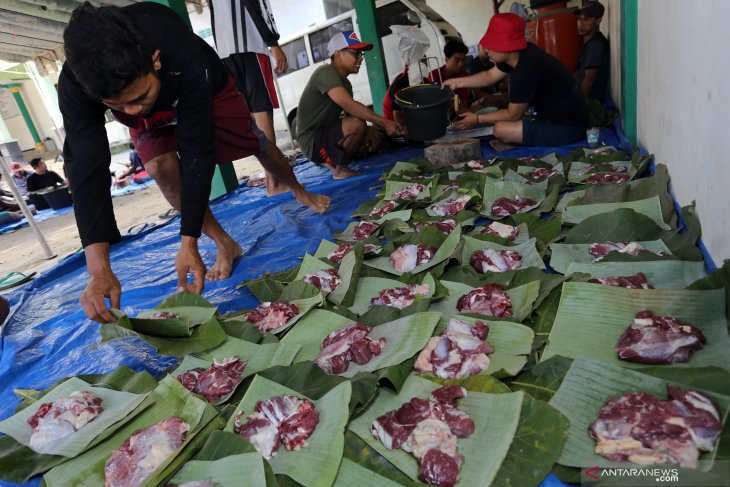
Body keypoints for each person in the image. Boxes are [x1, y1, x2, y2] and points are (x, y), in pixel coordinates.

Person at [59, 3, 330, 323]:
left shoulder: (179, 50)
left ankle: (297, 188)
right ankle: (224, 243)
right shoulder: (77, 82)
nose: (132, 112)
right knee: (159, 167)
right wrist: (99, 271)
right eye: (117, 106)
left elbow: (196, 152)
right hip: (156, 87)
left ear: (155, 60)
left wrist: (187, 241)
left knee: (256, 143)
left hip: (205, 89)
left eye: (138, 97)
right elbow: (86, 171)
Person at [444, 13, 588, 150]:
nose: (486, 50)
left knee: (500, 129)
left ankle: (519, 143)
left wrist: (476, 119)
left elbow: (513, 115)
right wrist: (457, 82)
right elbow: (489, 76)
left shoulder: (525, 69)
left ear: (507, 46)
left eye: (492, 44)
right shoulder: (521, 54)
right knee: (502, 123)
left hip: (566, 128)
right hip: (568, 119)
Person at [211, 0, 299, 196]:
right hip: (250, 44)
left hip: (225, 51)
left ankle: (272, 180)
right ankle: (273, 182)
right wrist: (273, 42)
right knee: (262, 113)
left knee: (252, 114)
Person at [296, 31, 404, 179]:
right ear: (338, 54)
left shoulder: (345, 83)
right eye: (356, 53)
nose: (360, 58)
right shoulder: (325, 72)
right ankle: (340, 170)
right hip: (312, 141)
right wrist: (384, 122)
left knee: (369, 132)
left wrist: (371, 131)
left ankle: (334, 162)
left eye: (361, 54)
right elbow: (349, 106)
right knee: (358, 124)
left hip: (324, 134)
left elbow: (350, 115)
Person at [382, 25, 430, 127]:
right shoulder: (399, 84)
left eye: (424, 59)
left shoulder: (426, 81)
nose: (424, 63)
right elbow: (398, 118)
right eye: (421, 61)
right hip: (396, 129)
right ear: (409, 63)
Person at [574, 1, 609, 99]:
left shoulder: (595, 45)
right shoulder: (589, 42)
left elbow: (588, 81)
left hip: (590, 101)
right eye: (579, 19)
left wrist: (580, 108)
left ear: (598, 20)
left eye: (586, 19)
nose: (581, 23)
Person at [426, 39, 470, 107]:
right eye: (457, 60)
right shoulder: (434, 76)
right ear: (446, 59)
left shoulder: (464, 75)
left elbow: (464, 101)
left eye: (463, 60)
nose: (461, 64)